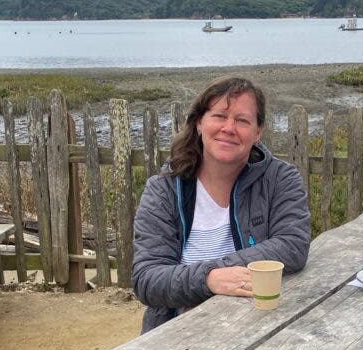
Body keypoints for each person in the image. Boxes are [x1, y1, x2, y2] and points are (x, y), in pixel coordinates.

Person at [131, 76, 311, 332]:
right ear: (199, 123)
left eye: (242, 120)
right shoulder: (164, 190)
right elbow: (147, 279)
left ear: (258, 132)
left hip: (258, 328)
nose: (229, 128)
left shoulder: (280, 179)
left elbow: (292, 245)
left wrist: (216, 273)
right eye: (219, 116)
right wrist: (208, 280)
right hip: (174, 334)